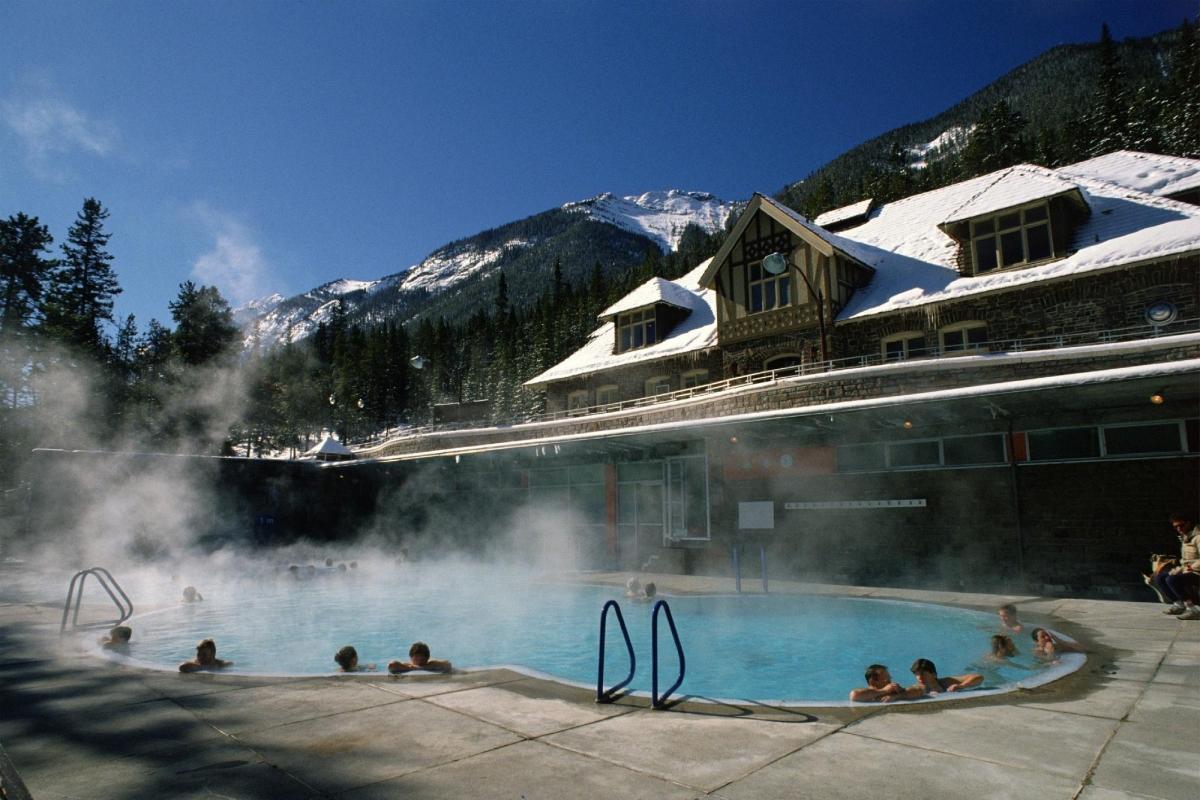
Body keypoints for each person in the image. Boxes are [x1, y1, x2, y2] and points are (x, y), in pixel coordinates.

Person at [1152, 513, 1200, 620]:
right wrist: (1179, 569)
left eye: (1181, 525)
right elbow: (1186, 560)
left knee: (1172, 579)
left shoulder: (1198, 537)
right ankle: (1179, 604)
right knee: (1160, 577)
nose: (1179, 528)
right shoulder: (1185, 537)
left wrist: (1190, 568)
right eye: (1176, 527)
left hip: (1197, 572)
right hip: (1188, 570)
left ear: (1189, 523)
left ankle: (1192, 609)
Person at [849, 664, 923, 703]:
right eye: (886, 677)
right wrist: (884, 691)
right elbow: (854, 695)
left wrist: (900, 693)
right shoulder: (867, 693)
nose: (890, 680)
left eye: (889, 677)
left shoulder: (893, 691)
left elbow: (920, 690)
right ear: (873, 681)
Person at [909, 658, 983, 695]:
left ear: (934, 674)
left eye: (923, 674)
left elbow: (979, 677)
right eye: (916, 674)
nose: (919, 677)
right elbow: (906, 693)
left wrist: (961, 686)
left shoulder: (946, 682)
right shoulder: (918, 689)